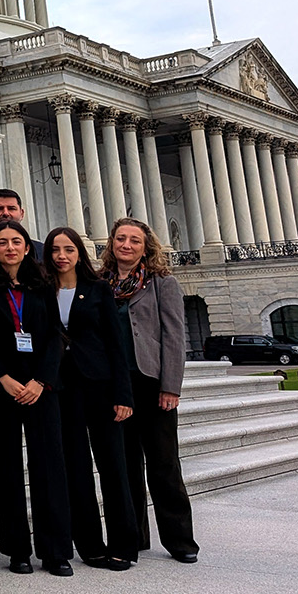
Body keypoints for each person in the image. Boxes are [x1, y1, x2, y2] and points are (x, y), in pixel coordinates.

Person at [101, 218, 198, 564]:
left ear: (146, 247)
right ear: (111, 244)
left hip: (152, 382)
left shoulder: (162, 283)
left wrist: (171, 386)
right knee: (125, 466)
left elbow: (174, 336)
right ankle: (134, 536)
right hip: (117, 386)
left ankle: (181, 541)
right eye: (121, 239)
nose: (126, 245)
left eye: (134, 241)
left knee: (163, 464)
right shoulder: (101, 284)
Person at [0, 220, 72, 577]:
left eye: (16, 241)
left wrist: (41, 380)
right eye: (1, 242)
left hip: (40, 388)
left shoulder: (41, 285)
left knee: (49, 466)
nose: (9, 248)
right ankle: (18, 549)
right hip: (2, 387)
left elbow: (54, 335)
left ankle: (56, 551)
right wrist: (2, 377)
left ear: (26, 247)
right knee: (7, 471)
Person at [44, 226, 137, 571]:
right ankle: (90, 545)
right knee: (76, 468)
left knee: (114, 467)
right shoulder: (43, 291)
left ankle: (124, 544)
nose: (61, 256)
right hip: (63, 388)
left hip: (100, 385)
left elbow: (117, 345)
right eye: (55, 249)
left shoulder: (98, 289)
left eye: (68, 249)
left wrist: (123, 394)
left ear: (78, 254)